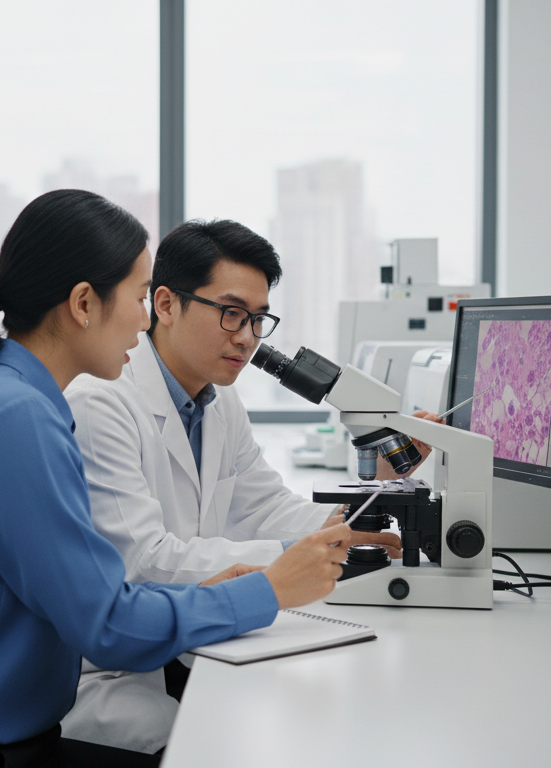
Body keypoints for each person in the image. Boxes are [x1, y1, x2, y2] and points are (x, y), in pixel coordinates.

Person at [0, 191, 351, 768]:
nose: (145, 320)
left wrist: (232, 587)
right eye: (140, 298)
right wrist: (267, 590)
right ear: (84, 303)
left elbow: (98, 595)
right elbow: (108, 624)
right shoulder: (20, 420)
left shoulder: (18, 400)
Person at [59, 219, 443, 754]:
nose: (247, 336)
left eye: (259, 319)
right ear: (165, 305)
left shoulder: (219, 400)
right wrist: (291, 562)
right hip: (117, 674)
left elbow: (265, 507)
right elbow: (145, 562)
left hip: (185, 649)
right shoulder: (102, 401)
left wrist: (371, 501)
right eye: (232, 313)